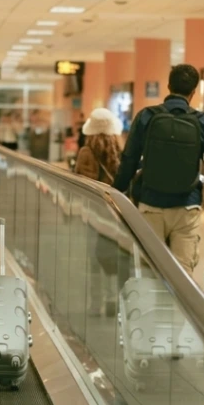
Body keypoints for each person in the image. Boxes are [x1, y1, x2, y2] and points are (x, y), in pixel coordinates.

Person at [114, 64, 204, 275]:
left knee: (150, 268)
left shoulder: (146, 116)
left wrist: (118, 189)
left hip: (151, 203)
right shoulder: (203, 121)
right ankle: (177, 309)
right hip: (187, 205)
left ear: (168, 86)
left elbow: (129, 158)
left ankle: (149, 307)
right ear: (194, 91)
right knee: (182, 272)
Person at [74, 109, 126, 316]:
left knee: (93, 260)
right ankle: (113, 297)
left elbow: (80, 181)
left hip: (92, 212)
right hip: (115, 212)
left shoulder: (86, 152)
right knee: (113, 257)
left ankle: (96, 304)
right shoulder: (120, 150)